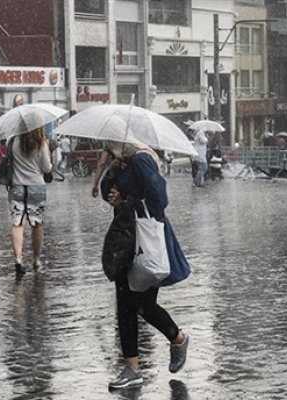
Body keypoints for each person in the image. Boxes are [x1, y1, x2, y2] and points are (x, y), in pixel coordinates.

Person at [99, 140, 189, 389]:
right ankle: (132, 368)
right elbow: (109, 192)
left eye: (109, 143)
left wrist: (126, 199)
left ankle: (177, 338)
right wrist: (110, 174)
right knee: (126, 305)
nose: (106, 148)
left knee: (142, 305)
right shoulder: (122, 162)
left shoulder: (141, 159)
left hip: (145, 239)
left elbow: (159, 200)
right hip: (125, 238)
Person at [9, 125, 53, 274]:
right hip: (36, 187)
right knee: (36, 224)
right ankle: (36, 259)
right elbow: (47, 168)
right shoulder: (41, 143)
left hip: (17, 187)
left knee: (18, 224)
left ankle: (18, 258)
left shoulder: (14, 141)